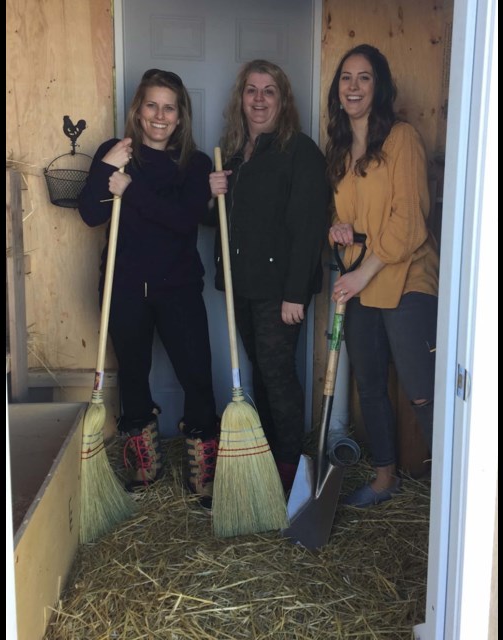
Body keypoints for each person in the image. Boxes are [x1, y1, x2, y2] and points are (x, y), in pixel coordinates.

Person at [77, 68, 220, 508]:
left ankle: (204, 465)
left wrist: (130, 189)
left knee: (196, 374)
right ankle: (144, 462)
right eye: (152, 105)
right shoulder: (115, 153)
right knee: (134, 376)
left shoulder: (194, 164)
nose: (160, 115)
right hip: (124, 288)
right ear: (138, 112)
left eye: (169, 107)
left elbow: (183, 220)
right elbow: (89, 215)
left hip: (177, 288)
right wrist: (106, 168)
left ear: (180, 117)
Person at [325, 44, 440, 508]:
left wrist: (362, 272)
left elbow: (408, 222)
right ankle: (384, 478)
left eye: (364, 78)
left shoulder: (402, 138)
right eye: (346, 78)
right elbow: (348, 218)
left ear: (380, 86)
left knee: (421, 390)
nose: (353, 87)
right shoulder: (339, 149)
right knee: (369, 385)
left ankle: (449, 488)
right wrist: (339, 230)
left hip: (406, 276)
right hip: (361, 279)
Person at [208, 60, 330, 493]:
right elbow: (224, 223)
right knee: (262, 371)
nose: (259, 100)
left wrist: (296, 293)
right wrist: (213, 195)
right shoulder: (237, 153)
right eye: (251, 91)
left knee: (278, 377)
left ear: (282, 101)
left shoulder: (299, 151)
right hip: (243, 286)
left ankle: (291, 468)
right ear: (241, 99)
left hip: (280, 291)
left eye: (269, 91)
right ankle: (273, 456)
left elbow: (308, 227)